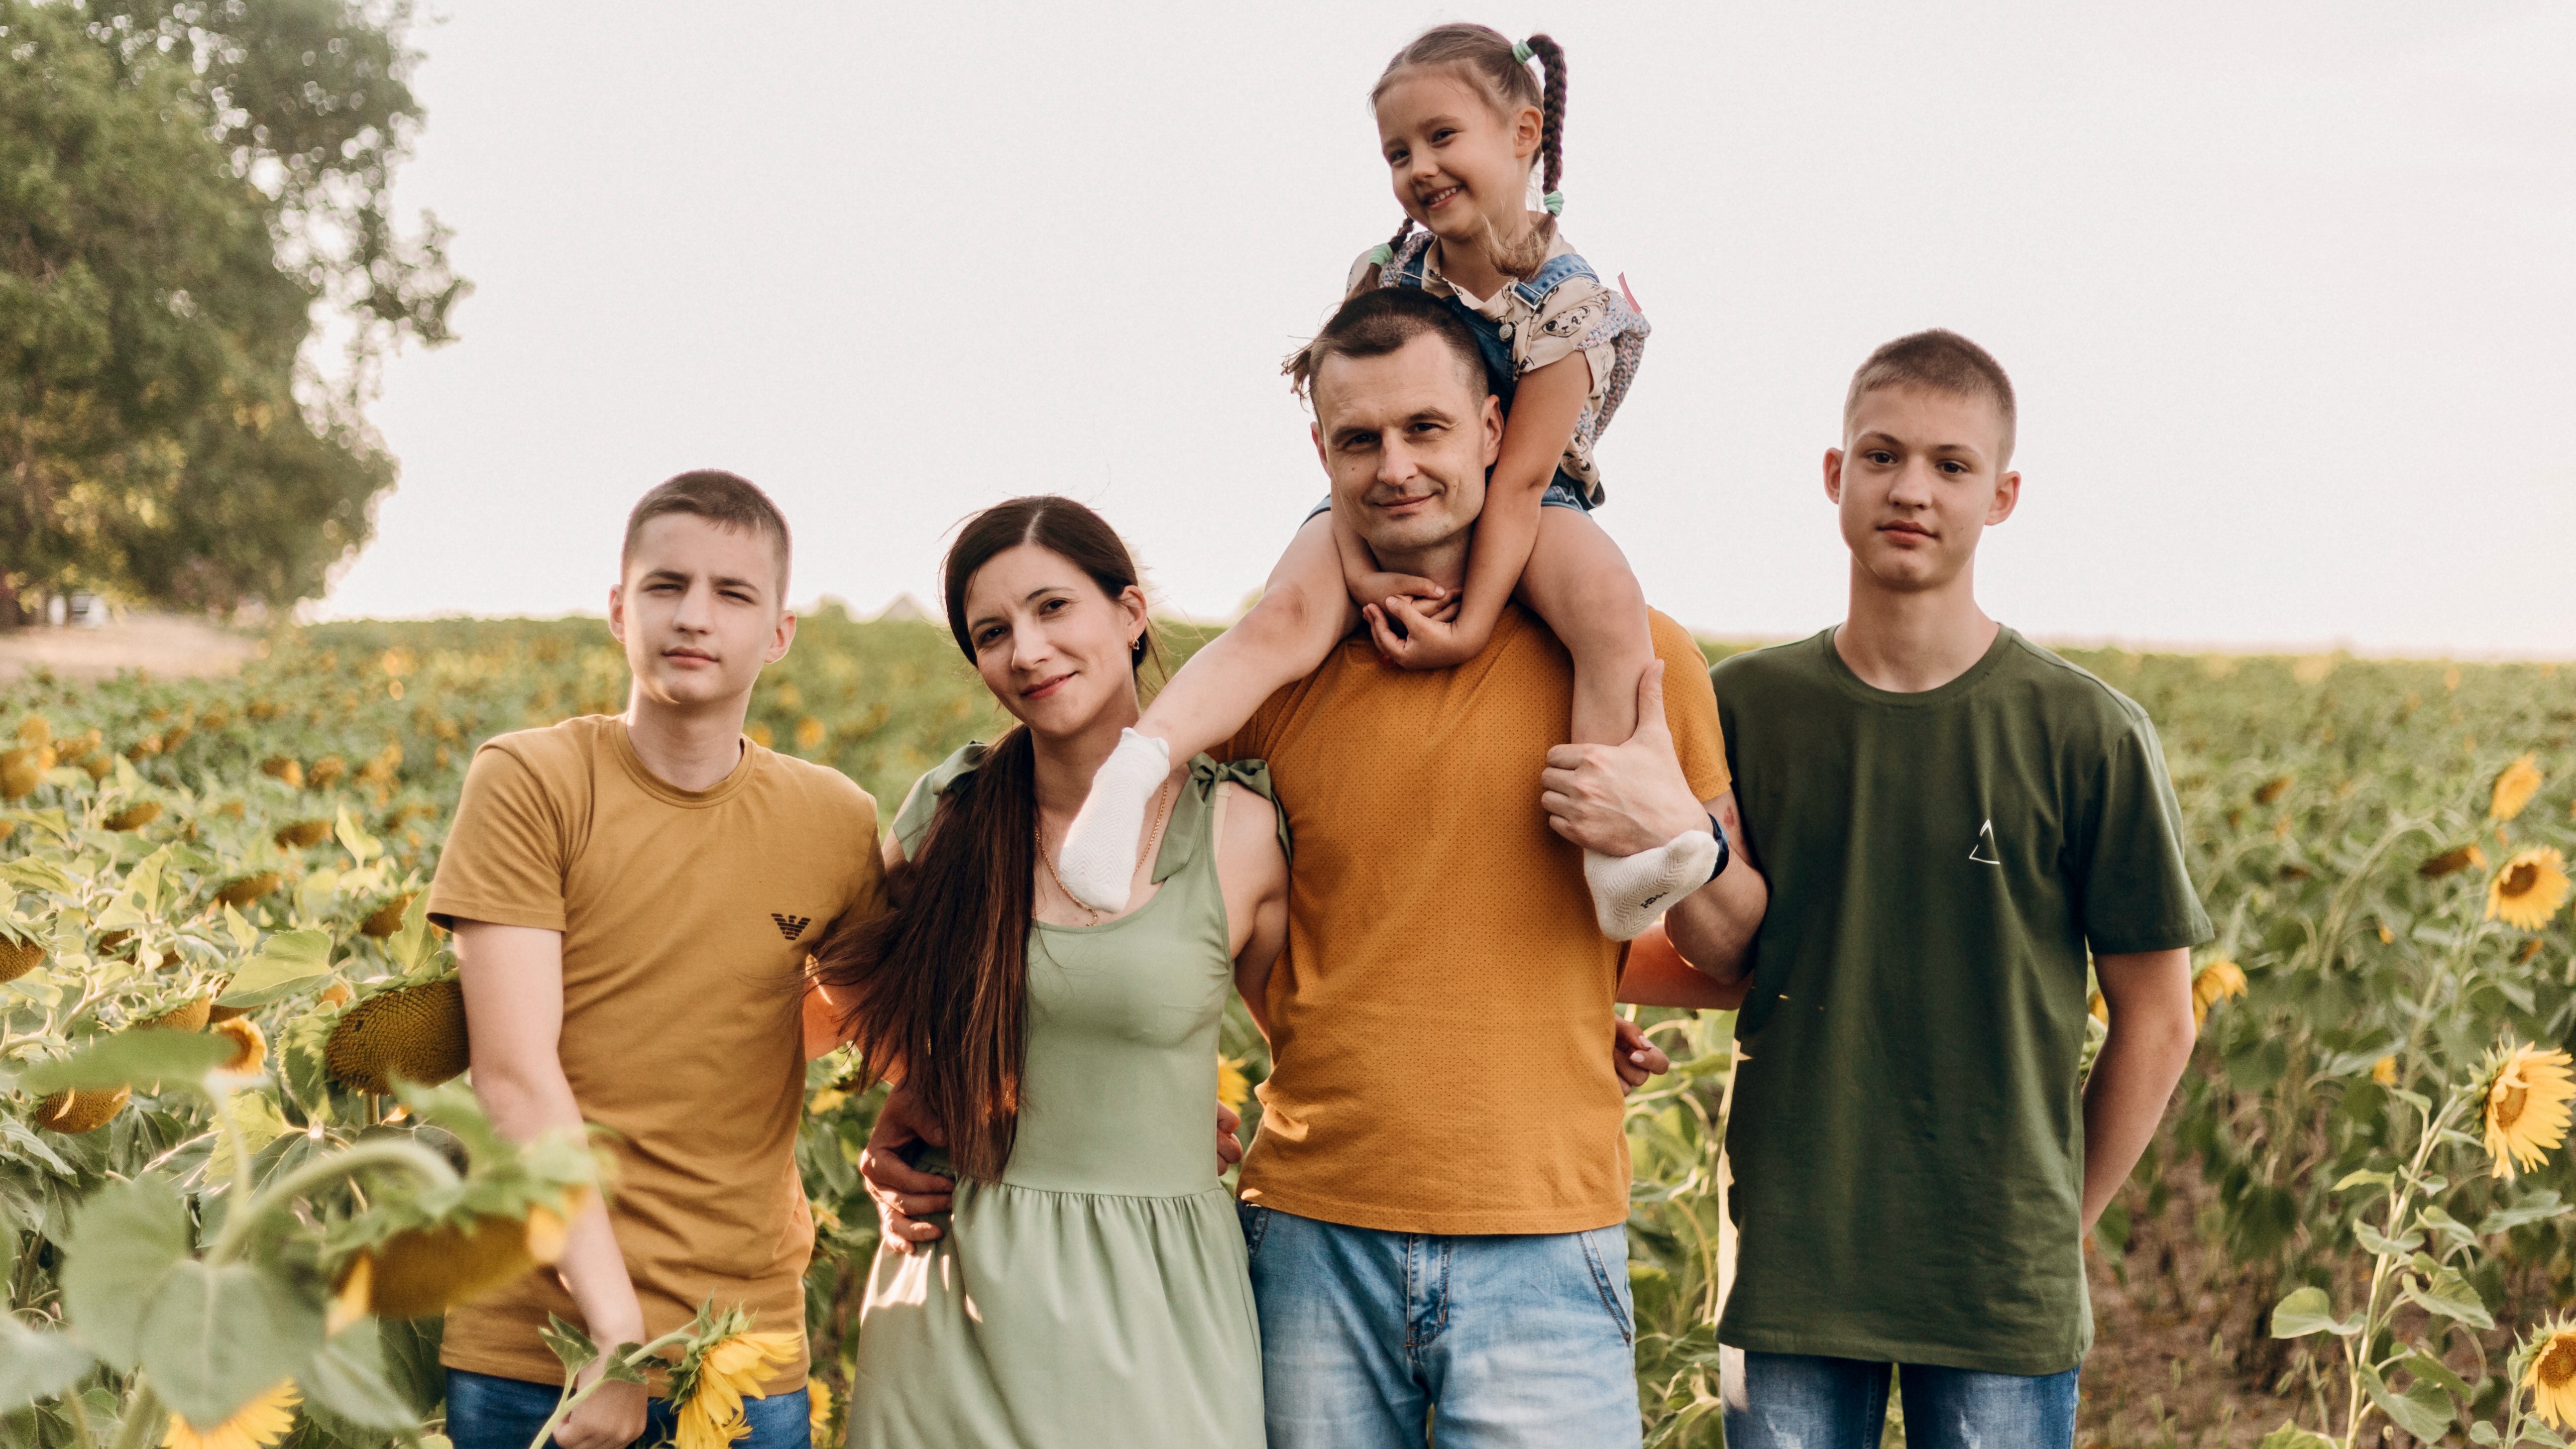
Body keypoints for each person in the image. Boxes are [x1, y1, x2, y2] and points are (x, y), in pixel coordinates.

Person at [869, 287, 1764, 1448]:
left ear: (1496, 433)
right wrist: (932, 1094)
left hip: (1543, 1241)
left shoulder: (1639, 657)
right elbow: (1123, 894)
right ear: (1321, 454)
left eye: (1425, 430)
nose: (1394, 466)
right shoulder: (1275, 683)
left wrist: (1671, 858)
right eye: (1359, 439)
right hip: (1306, 1238)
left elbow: (1732, 949)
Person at [1634, 331, 2209, 1449]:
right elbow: (1721, 949)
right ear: (1832, 475)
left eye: (1949, 466)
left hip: (1997, 1278)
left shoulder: (2084, 733)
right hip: (1795, 1256)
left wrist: (2054, 1226)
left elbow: (2159, 1019)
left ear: (2000, 496)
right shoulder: (1739, 709)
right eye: (1882, 454)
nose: (1910, 489)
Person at [1056, 22, 1716, 942]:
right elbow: (1345, 412)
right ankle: (1134, 774)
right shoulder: (1385, 273)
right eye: (1398, 152)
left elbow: (1521, 481)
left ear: (1524, 134)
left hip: (1531, 492)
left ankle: (1611, 850)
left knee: (1609, 606)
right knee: (1282, 617)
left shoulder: (1572, 307)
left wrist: (1472, 624)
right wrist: (1357, 570)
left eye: (1443, 138)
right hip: (1379, 488)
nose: (1419, 167)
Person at [815, 496, 1290, 1448]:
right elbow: (848, 999)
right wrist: (908, 1104)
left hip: (1162, 1300)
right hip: (957, 1304)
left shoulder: (1239, 829)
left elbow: (1328, 1046)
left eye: (1052, 609)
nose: (1025, 652)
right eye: (992, 633)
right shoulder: (952, 812)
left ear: (1130, 611)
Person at [429, 471, 881, 1449]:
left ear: (779, 632)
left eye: (733, 593)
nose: (694, 616)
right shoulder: (532, 780)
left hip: (744, 1343)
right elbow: (512, 1077)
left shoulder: (834, 822)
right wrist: (616, 1335)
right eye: (666, 585)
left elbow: (874, 1019)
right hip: (537, 1345)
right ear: (617, 607)